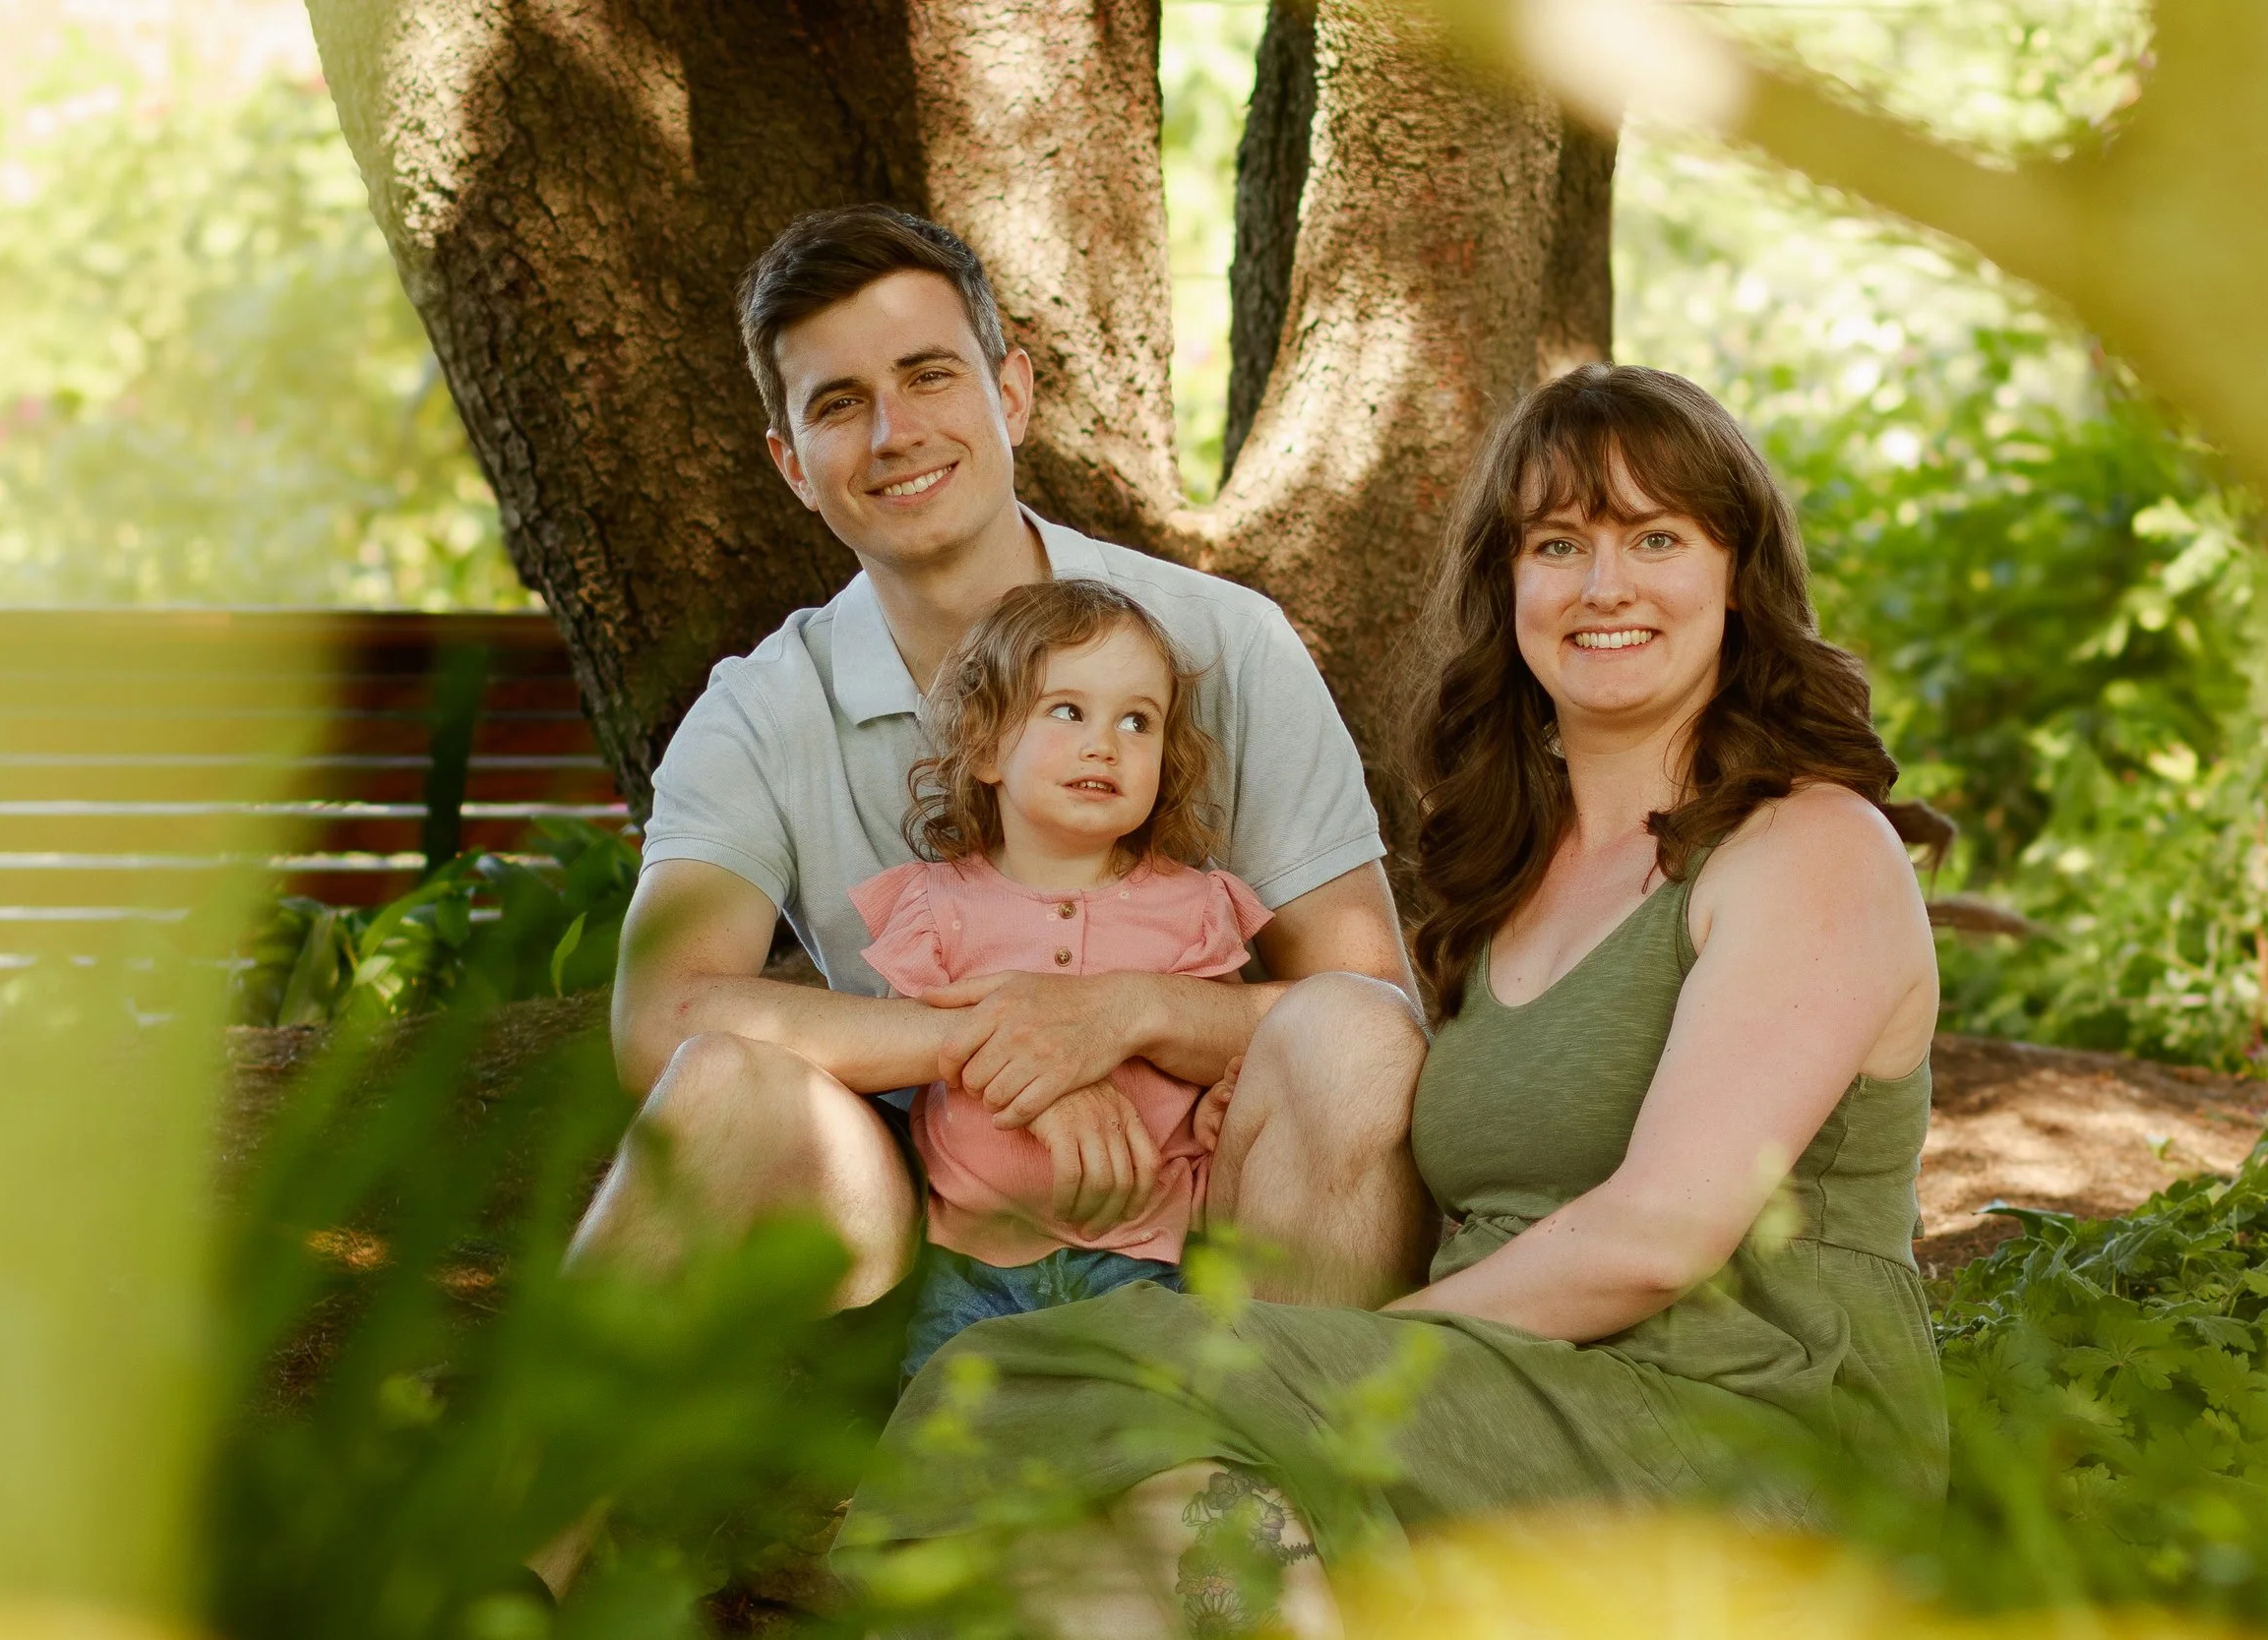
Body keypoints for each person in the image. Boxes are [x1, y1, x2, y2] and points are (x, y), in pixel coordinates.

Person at [835, 363, 1951, 1638]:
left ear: (1737, 575)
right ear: (1509, 585)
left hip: (1731, 1423)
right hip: (1488, 1398)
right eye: (1558, 543)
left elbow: (1659, 1232)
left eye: (1657, 536)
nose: (1604, 584)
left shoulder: (1808, 847)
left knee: (1123, 1461)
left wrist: (1305, 1378)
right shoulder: (1509, 883)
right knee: (1036, 1459)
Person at [566, 203, 1430, 1317]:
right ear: (790, 463)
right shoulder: (761, 707)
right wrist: (989, 1046)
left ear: (1010, 394)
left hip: (1207, 1204)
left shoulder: (1223, 641)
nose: (893, 433)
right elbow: (660, 1018)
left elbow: (1367, 999)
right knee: (721, 1073)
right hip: (919, 1204)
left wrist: (1125, 1014)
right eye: (839, 405)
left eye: (929, 374)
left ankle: (1277, 1449)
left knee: (1354, 1040)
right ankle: (522, 1486)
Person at [855, 577, 1272, 1379]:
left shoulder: (1190, 907)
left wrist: (1227, 1101)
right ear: (983, 748)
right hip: (973, 1272)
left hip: (1147, 1265)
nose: (1104, 744)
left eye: (1136, 721)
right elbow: (897, 1053)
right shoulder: (938, 906)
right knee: (949, 1469)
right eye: (1068, 710)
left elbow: (1215, 1042)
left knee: (1144, 1449)